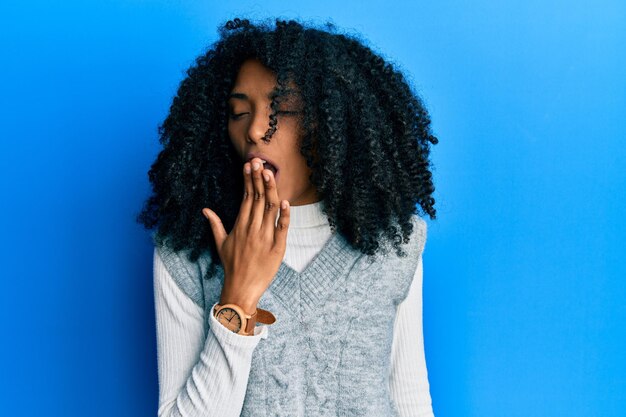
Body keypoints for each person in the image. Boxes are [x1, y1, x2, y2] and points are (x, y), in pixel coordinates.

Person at [137, 17, 439, 417]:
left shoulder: (393, 245)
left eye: (285, 110)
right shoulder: (186, 253)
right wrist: (238, 297)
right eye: (239, 112)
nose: (256, 130)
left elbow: (411, 403)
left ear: (335, 124)